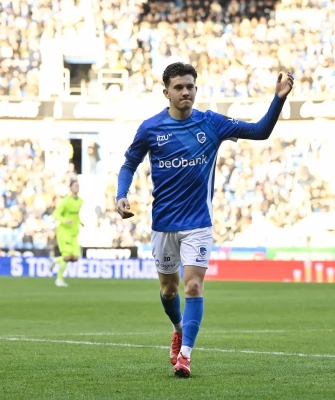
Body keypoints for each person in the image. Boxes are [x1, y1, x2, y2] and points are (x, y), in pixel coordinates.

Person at [115, 62, 294, 377]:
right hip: (163, 224)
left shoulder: (211, 123)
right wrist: (121, 195)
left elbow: (260, 131)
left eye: (190, 87)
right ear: (166, 92)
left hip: (198, 222)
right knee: (168, 291)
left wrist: (278, 98)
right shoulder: (150, 128)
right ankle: (178, 328)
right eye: (179, 87)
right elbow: (129, 164)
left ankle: (185, 356)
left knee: (194, 285)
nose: (185, 92)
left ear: (196, 89)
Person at [52, 180, 84, 287]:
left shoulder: (80, 200)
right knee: (67, 256)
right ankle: (59, 279)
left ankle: (55, 260)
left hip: (74, 232)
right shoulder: (65, 200)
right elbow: (55, 214)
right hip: (64, 232)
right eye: (75, 185)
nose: (77, 187)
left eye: (78, 185)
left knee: (75, 258)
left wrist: (80, 222)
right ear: (70, 188)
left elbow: (75, 215)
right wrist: (65, 220)